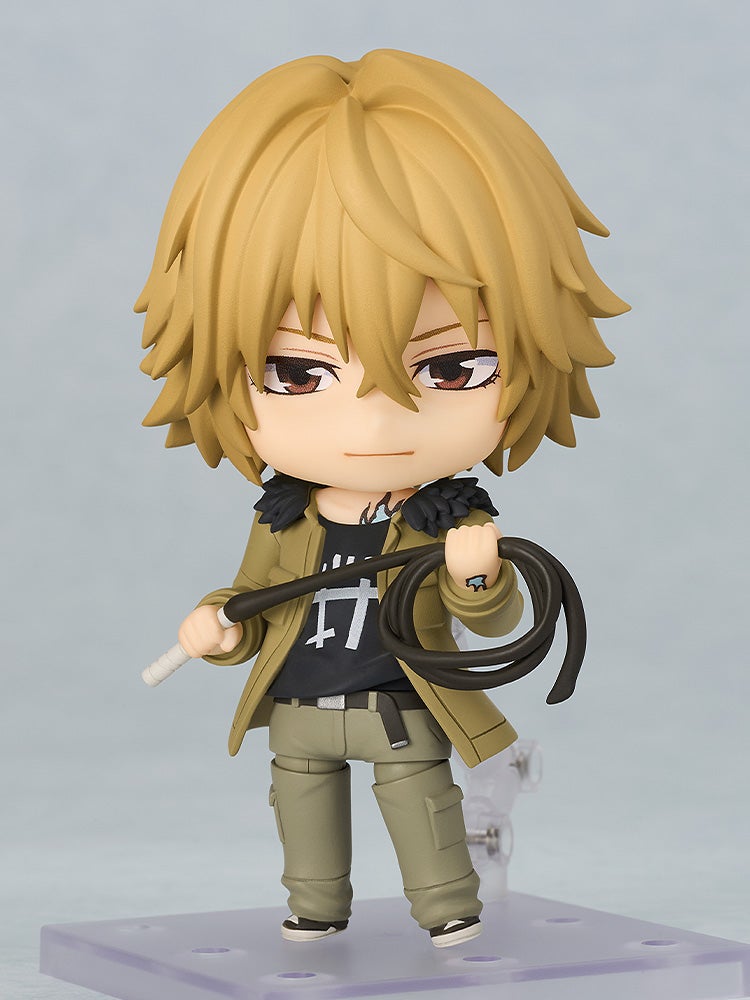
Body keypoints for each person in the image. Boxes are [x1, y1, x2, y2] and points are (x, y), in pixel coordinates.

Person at [137, 49, 628, 947]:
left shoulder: (447, 516)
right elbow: (252, 596)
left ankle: (448, 911)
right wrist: (217, 627)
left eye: (452, 367)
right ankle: (313, 909)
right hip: (300, 709)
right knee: (302, 811)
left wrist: (476, 576)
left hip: (400, 711)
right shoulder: (285, 513)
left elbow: (488, 619)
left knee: (421, 810)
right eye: (298, 373)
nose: (374, 420)